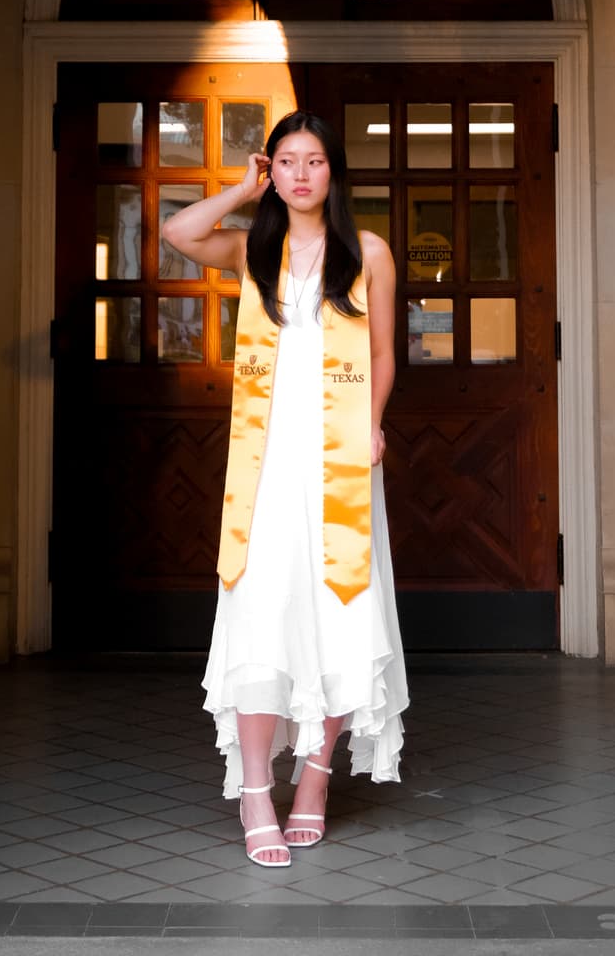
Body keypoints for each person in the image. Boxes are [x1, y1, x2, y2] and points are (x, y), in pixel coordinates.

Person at [161, 110, 408, 867]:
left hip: (337, 465)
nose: (302, 175)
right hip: (265, 469)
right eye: (288, 162)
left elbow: (384, 354)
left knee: (339, 616)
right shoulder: (254, 249)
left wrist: (372, 424)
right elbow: (180, 235)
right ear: (276, 171)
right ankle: (255, 792)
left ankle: (315, 780)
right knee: (264, 616)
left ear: (335, 173)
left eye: (316, 162)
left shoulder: (366, 252)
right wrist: (241, 189)